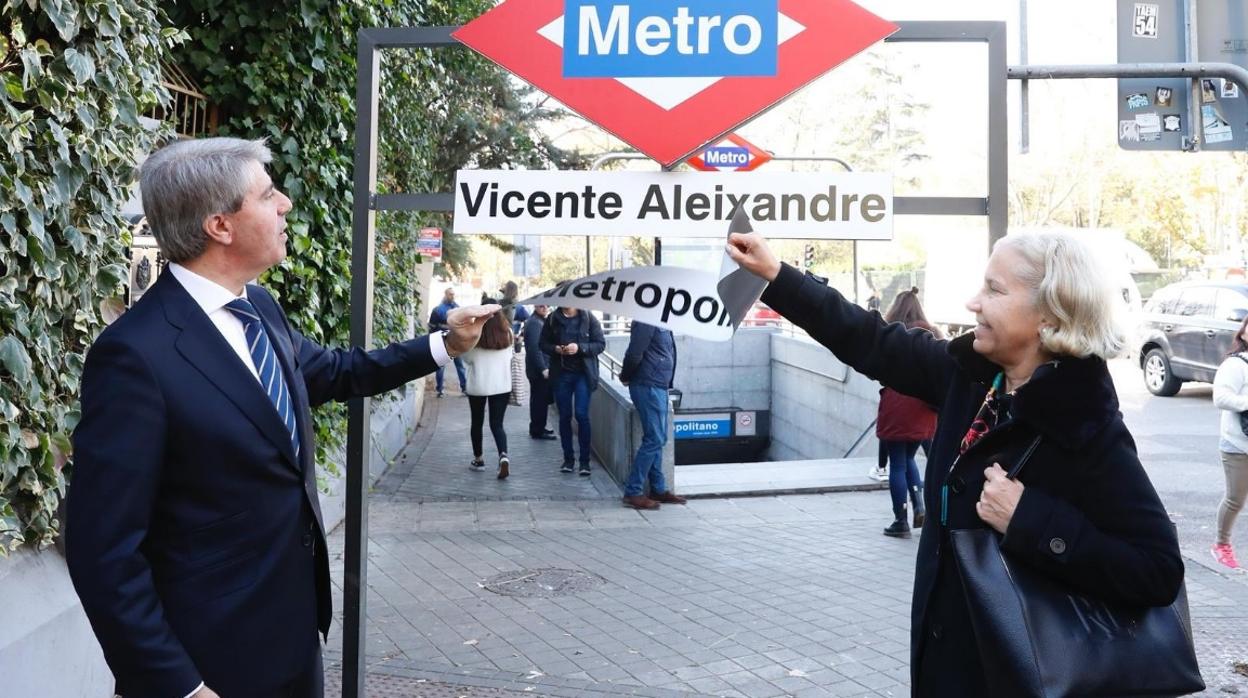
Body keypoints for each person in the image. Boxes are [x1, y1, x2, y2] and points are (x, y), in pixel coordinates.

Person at [64, 137, 497, 698]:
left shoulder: (259, 308)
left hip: (293, 638)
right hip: (209, 664)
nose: (286, 204)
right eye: (268, 194)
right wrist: (178, 685)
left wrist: (444, 345)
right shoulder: (135, 355)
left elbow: (336, 373)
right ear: (220, 225)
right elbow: (104, 549)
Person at [726, 230, 1184, 696]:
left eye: (994, 290)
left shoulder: (1086, 424)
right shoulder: (971, 378)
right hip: (947, 667)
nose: (974, 302)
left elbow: (1158, 570)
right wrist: (776, 276)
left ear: (1050, 312)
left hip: (1022, 677)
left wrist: (1031, 520)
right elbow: (870, 339)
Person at [876, 288, 942, 538]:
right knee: (911, 458)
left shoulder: (891, 331)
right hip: (923, 406)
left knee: (897, 463)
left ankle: (900, 520)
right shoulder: (932, 332)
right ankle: (920, 506)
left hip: (897, 404)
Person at [619, 321, 686, 510]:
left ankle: (658, 488)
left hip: (658, 384)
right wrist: (625, 375)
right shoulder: (645, 319)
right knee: (654, 439)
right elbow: (634, 352)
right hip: (647, 384)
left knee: (659, 438)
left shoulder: (660, 318)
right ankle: (633, 491)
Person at [540, 299, 606, 476]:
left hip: (583, 374)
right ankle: (568, 459)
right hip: (561, 374)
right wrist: (556, 349)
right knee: (565, 416)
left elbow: (600, 344)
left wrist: (580, 348)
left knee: (582, 414)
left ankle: (585, 462)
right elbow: (542, 344)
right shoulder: (553, 319)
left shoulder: (588, 317)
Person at [462, 303, 516, 479]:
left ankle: (479, 460)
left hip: (479, 385)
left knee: (476, 422)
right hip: (502, 385)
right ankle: (503, 456)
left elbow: (467, 359)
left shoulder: (475, 336)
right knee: (497, 424)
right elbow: (511, 356)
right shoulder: (508, 334)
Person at [1211, 315, 1248, 571]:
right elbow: (1220, 397)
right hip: (1238, 444)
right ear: (1243, 332)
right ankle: (1221, 545)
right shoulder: (1236, 365)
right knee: (1235, 498)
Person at [523, 304, 557, 440]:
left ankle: (538, 427)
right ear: (535, 307)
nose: (545, 308)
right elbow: (534, 349)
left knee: (539, 400)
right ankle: (537, 430)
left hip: (537, 368)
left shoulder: (538, 321)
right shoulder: (535, 323)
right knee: (539, 401)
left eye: (547, 306)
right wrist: (543, 368)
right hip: (538, 370)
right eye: (541, 306)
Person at [430, 287, 468, 397]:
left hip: (454, 342)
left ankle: (464, 388)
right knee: (441, 367)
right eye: (450, 294)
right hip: (442, 342)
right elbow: (432, 327)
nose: (452, 296)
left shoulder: (457, 308)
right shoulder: (438, 310)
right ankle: (440, 390)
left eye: (453, 294)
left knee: (460, 365)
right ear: (445, 294)